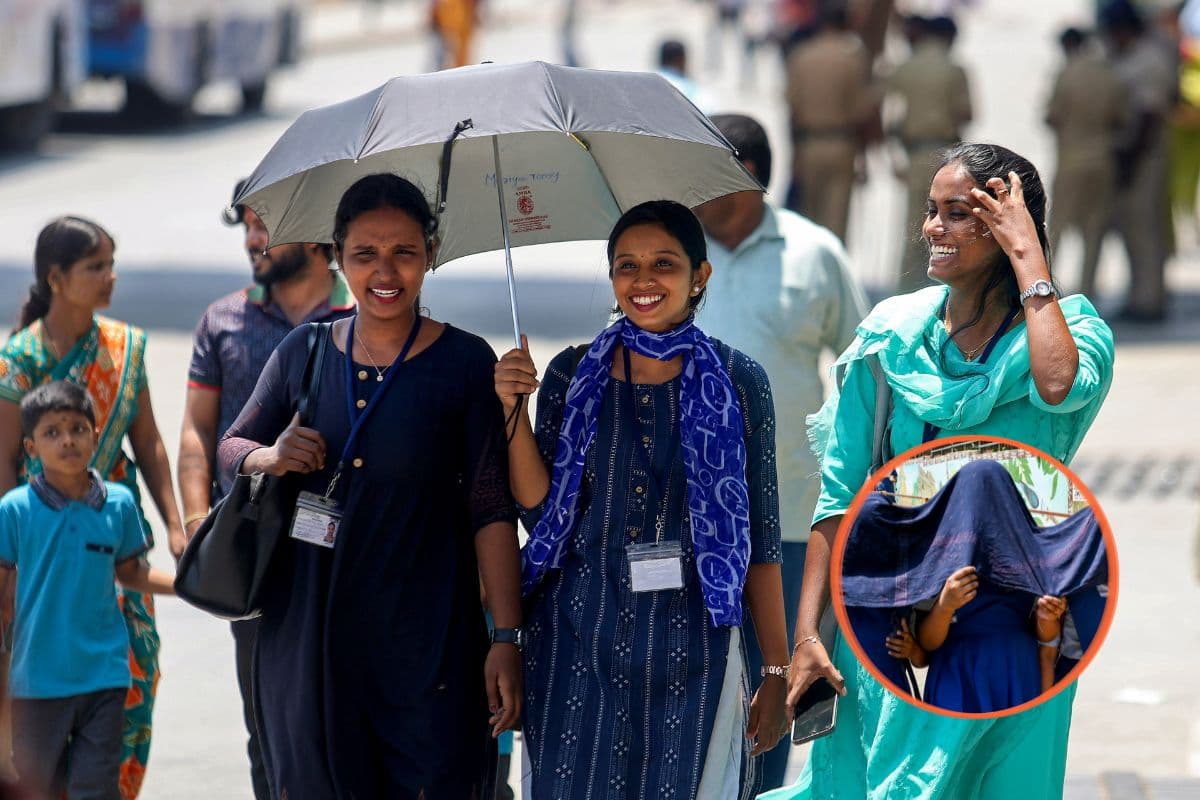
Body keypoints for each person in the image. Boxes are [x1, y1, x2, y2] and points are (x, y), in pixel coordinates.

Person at [765, 143, 1115, 799]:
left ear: (1009, 227)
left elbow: (1058, 385)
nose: (932, 228)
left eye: (958, 213)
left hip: (1015, 635)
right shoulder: (891, 337)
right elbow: (840, 497)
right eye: (932, 210)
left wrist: (1028, 257)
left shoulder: (1070, 332)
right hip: (894, 627)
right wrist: (808, 635)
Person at [216, 173, 522, 797]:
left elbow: (492, 510)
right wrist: (270, 457)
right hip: (310, 638)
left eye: (404, 251)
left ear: (430, 253)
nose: (385, 271)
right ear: (337, 255)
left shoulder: (467, 364)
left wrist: (507, 637)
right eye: (365, 253)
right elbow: (232, 447)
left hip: (430, 643)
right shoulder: (304, 351)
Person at [495, 200, 789, 799]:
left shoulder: (739, 381)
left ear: (699, 276)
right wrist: (511, 412)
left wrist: (777, 671)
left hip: (695, 645)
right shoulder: (573, 374)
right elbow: (540, 512)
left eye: (663, 264)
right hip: (578, 636)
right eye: (626, 265)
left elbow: (760, 537)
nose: (643, 280)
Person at [692, 112, 868, 792]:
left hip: (795, 513)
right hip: (690, 517)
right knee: (700, 683)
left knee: (779, 677)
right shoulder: (673, 251)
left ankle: (766, 790)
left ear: (750, 174)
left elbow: (862, 369)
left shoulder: (814, 253)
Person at [177, 179, 354, 800]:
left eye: (266, 225)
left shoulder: (365, 318)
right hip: (255, 554)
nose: (253, 240)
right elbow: (199, 433)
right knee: (268, 729)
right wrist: (195, 523)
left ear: (315, 231)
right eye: (247, 225)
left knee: (341, 721)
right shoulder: (223, 320)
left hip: (344, 552)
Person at [0, 216, 187, 798]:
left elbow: (149, 442)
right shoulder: (19, 359)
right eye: (96, 266)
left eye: (111, 264)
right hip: (44, 539)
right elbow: (3, 460)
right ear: (56, 278)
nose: (110, 277)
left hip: (110, 528)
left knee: (136, 669)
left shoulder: (124, 347)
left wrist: (177, 526)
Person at [0, 381, 175, 800]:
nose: (67, 440)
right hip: (37, 681)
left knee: (95, 788)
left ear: (95, 437)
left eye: (77, 429)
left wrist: (188, 586)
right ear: (31, 447)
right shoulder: (15, 510)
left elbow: (131, 573)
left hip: (104, 676)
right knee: (35, 787)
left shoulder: (119, 503)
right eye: (52, 432)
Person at [886, 15, 973, 293]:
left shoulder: (905, 68)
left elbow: (888, 114)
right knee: (947, 226)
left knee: (914, 225)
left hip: (914, 154)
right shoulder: (954, 69)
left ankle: (906, 289)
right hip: (946, 155)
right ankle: (942, 290)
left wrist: (894, 156)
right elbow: (966, 114)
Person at [1101, 0, 1176, 322]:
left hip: (1145, 157)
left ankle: (1150, 300)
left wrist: (1129, 163)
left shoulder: (1149, 60)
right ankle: (1139, 294)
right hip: (1127, 155)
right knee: (1129, 228)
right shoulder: (1123, 56)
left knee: (1145, 228)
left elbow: (1149, 116)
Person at [1045, 27, 1128, 300]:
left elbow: (1052, 116)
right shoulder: (1109, 74)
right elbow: (1122, 119)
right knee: (1094, 230)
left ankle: (1044, 287)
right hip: (1102, 159)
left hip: (1071, 159)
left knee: (1056, 227)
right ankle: (1087, 291)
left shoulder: (1065, 74)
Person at [783, 5, 878, 241]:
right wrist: (863, 158)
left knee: (809, 219)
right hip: (842, 144)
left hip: (809, 144)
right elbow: (861, 113)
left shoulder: (801, 55)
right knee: (836, 221)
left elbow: (792, 110)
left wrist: (795, 155)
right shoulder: (854, 59)